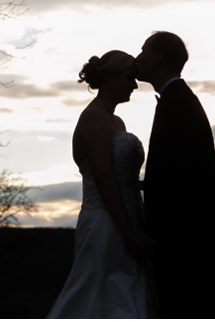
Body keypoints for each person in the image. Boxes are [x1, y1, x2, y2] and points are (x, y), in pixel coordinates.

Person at [47, 50, 152, 318]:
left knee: (125, 290)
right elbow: (104, 177)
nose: (135, 85)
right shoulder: (93, 116)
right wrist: (128, 234)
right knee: (99, 290)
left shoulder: (117, 121)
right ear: (109, 77)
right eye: (129, 77)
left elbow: (122, 176)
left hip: (129, 217)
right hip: (107, 221)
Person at [137, 31, 215, 318]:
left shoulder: (176, 104)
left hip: (183, 247)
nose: (137, 58)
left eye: (142, 52)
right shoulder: (179, 99)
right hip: (190, 243)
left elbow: (174, 180)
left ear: (158, 58)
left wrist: (153, 235)